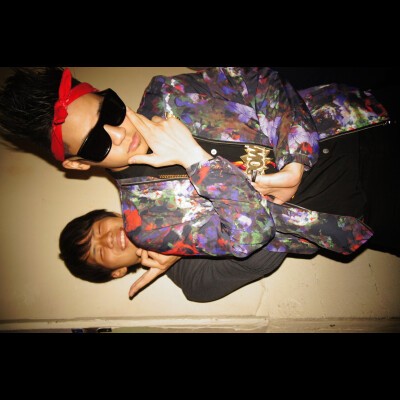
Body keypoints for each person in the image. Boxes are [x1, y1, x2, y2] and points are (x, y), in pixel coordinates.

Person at [0, 67, 396, 298]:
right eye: (96, 142)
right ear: (79, 163)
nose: (119, 133)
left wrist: (296, 159)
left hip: (359, 118)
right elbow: (251, 236)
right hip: (358, 207)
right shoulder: (149, 223)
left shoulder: (167, 93)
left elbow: (259, 81)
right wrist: (195, 159)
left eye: (111, 111)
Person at [59, 209, 287, 300]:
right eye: (99, 252)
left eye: (99, 230)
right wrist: (181, 244)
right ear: (117, 272)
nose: (107, 239)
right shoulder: (195, 283)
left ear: (113, 215)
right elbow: (270, 249)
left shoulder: (157, 182)